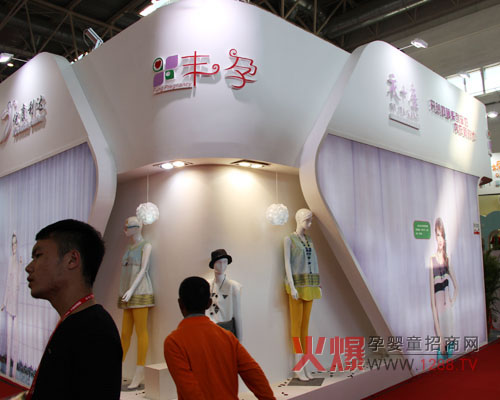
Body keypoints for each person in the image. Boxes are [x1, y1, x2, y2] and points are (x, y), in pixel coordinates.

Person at [24, 219, 122, 400]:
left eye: (38, 255)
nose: (29, 267)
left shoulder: (96, 332)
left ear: (72, 260)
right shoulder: (76, 324)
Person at [164, 276, 276, 400]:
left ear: (180, 304)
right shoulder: (227, 337)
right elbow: (254, 373)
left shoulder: (174, 342)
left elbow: (189, 390)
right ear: (209, 303)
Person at [284, 208, 321, 381]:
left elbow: (314, 262)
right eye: (307, 220)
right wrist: (292, 286)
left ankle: (306, 365)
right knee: (296, 328)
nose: (310, 224)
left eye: (310, 220)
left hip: (310, 287)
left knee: (305, 328)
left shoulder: (309, 240)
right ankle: (298, 367)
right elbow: (287, 264)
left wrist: (318, 284)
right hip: (297, 288)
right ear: (299, 219)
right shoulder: (288, 239)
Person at [118, 216, 155, 389]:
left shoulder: (146, 246)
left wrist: (131, 290)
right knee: (125, 333)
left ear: (137, 227)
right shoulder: (128, 247)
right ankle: (117, 368)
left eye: (128, 226)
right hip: (127, 293)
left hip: (139, 292)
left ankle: (140, 370)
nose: (125, 229)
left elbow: (143, 269)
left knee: (141, 331)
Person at [429, 217, 458, 360]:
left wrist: (452, 301)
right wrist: (439, 335)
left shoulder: (447, 260)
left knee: (451, 360)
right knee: (441, 361)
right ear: (435, 237)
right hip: (439, 318)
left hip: (449, 316)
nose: (440, 239)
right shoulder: (432, 260)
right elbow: (433, 303)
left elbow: (456, 286)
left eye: (442, 235)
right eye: (438, 235)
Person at [207, 249, 243, 340]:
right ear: (213, 264)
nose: (222, 265)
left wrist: (239, 340)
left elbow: (237, 315)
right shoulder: (207, 285)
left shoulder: (234, 287)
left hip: (226, 332)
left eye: (225, 262)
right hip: (210, 331)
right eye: (219, 262)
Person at [1, 233, 22, 378]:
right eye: (12, 244)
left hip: (17, 304)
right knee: (8, 338)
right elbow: (8, 284)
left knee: (15, 340)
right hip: (9, 303)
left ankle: (14, 372)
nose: (14, 246)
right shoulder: (10, 260)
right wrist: (3, 302)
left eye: (15, 244)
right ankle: (7, 372)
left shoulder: (19, 261)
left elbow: (19, 283)